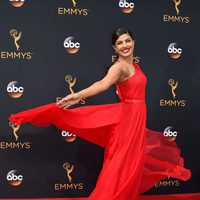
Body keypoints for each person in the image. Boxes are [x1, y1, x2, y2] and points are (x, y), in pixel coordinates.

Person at [8, 28, 191, 200]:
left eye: (127, 41)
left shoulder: (134, 64)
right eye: (120, 43)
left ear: (134, 42)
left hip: (136, 116)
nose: (125, 45)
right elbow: (102, 85)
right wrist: (77, 96)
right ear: (115, 48)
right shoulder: (118, 67)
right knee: (119, 162)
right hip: (127, 119)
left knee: (132, 163)